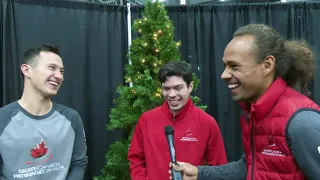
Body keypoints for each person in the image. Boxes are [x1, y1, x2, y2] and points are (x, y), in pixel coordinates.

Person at [169, 24, 320, 180]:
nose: (224, 75)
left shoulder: (302, 122)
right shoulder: (256, 112)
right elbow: (250, 167)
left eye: (234, 66)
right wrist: (200, 174)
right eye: (225, 66)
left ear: (267, 65)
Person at [128, 60, 228, 180]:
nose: (171, 94)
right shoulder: (146, 120)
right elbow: (136, 160)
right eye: (166, 88)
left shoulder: (206, 122)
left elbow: (219, 168)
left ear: (190, 86)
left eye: (177, 88)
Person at [0, 44, 88, 179]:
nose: (59, 76)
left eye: (62, 71)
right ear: (27, 70)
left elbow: (78, 163)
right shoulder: (3, 119)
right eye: (52, 68)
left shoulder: (71, 118)